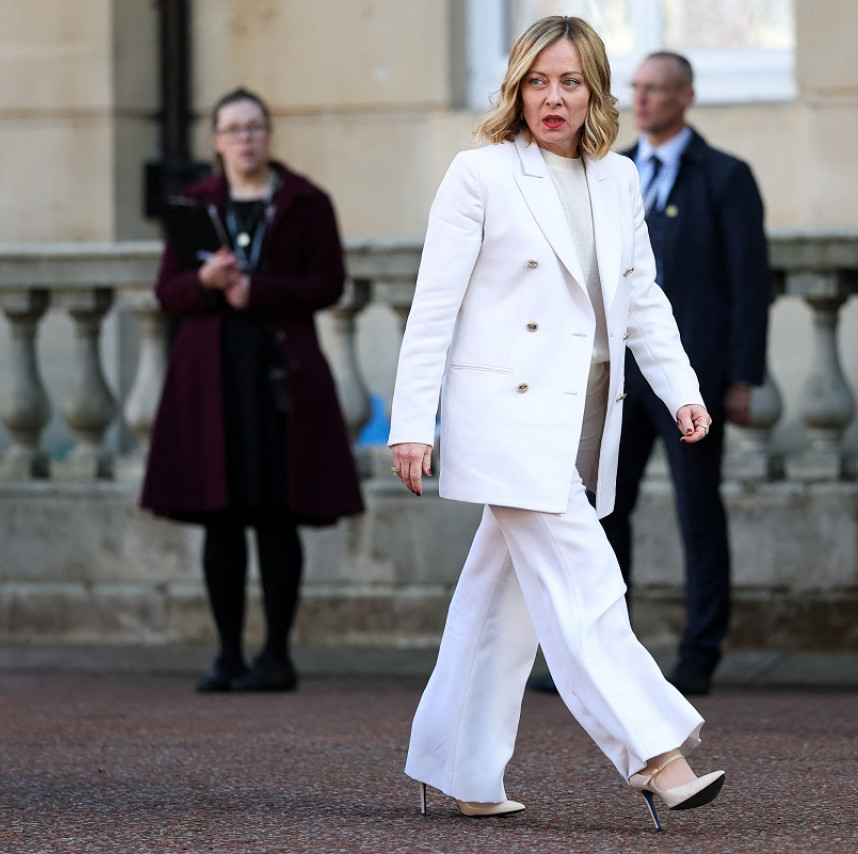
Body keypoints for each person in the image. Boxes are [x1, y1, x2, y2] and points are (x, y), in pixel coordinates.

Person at [388, 16, 724, 832]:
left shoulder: (616, 179)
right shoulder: (480, 176)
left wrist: (680, 386)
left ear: (594, 91)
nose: (553, 97)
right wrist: (411, 421)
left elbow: (641, 298)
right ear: (516, 87)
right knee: (586, 583)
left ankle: (455, 765)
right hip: (505, 416)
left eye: (570, 81)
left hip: (586, 415)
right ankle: (655, 756)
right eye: (538, 80)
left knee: (498, 603)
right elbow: (434, 306)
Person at [141, 88, 364, 693]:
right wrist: (205, 281)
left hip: (279, 377)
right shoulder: (193, 206)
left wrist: (257, 291)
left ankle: (276, 655)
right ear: (216, 139)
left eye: (255, 127)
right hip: (211, 376)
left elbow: (329, 282)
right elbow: (168, 292)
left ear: (268, 134)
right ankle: (227, 654)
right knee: (220, 517)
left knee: (275, 514)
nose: (245, 138)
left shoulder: (306, 201)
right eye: (233, 128)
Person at [602, 52, 774, 697]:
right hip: (618, 375)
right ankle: (602, 652)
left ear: (686, 97)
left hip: (689, 378)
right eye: (636, 89)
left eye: (655, 90)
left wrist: (740, 378)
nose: (641, 101)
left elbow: (749, 286)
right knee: (603, 511)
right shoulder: (610, 171)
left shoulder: (725, 177)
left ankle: (700, 651)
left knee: (697, 511)